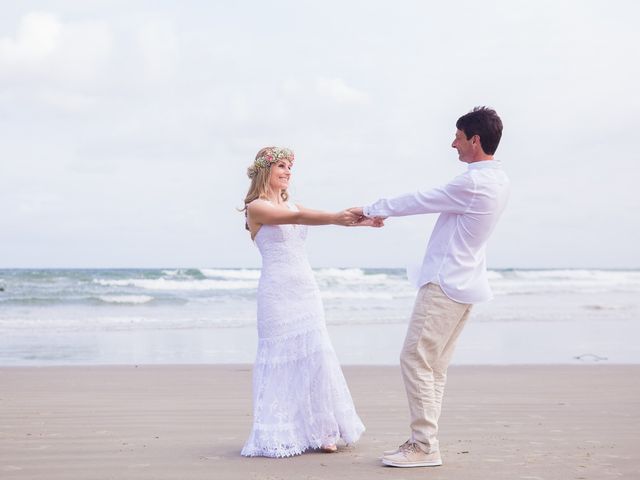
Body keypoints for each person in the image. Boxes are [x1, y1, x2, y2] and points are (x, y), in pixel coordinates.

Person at [351, 106, 510, 468]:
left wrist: (370, 208)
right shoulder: (499, 180)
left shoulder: (473, 182)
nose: (452, 143)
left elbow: (419, 199)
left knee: (415, 358)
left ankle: (424, 445)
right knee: (433, 367)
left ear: (475, 139)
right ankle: (425, 441)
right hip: (465, 284)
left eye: (457, 136)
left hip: (445, 284)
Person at [240, 146, 377, 458]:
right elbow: (301, 216)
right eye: (282, 167)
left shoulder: (294, 205)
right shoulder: (256, 207)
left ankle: (324, 430)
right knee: (282, 360)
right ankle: (282, 432)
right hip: (277, 295)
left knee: (316, 359)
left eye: (290, 167)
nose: (288, 172)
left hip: (305, 291)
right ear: (266, 170)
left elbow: (306, 215)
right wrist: (335, 218)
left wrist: (360, 221)